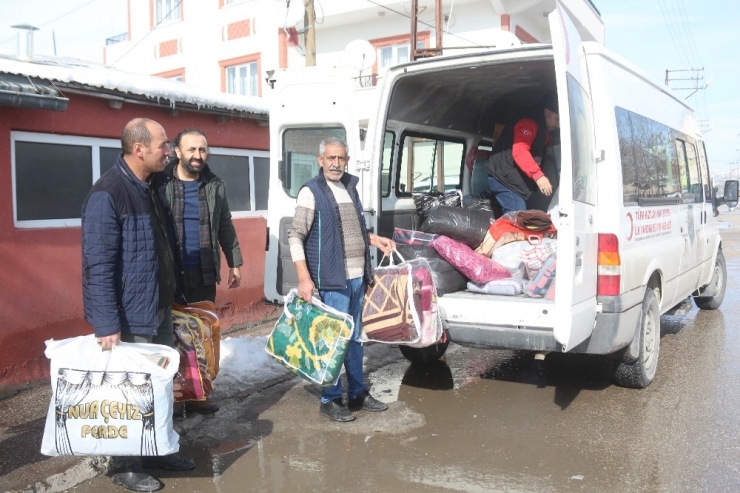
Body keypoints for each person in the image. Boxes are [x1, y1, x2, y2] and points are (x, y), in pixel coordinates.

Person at [81, 118, 195, 492]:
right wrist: (106, 323)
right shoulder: (108, 193)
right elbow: (98, 265)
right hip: (129, 317)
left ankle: (158, 449)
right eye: (164, 144)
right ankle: (126, 464)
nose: (170, 151)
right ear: (139, 148)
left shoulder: (150, 187)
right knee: (129, 392)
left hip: (157, 305)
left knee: (158, 385)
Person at [288, 136, 396, 422]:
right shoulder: (311, 192)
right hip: (332, 280)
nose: (336, 163)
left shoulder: (349, 187)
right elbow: (295, 236)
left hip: (358, 277)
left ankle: (358, 392)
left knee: (355, 339)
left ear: (346, 160)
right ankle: (331, 398)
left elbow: (349, 231)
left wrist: (374, 240)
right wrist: (304, 278)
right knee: (332, 341)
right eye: (331, 158)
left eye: (341, 158)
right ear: (320, 160)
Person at [158, 128, 243, 416]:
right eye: (192, 150)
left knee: (201, 335)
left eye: (202, 150)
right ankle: (169, 394)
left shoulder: (214, 185)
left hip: (204, 273)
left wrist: (235, 262)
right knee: (171, 336)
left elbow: (225, 224)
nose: (198, 156)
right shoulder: (160, 183)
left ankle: (197, 395)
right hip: (170, 274)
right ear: (177, 152)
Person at [485, 91, 561, 214]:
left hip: (510, 178)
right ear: (546, 112)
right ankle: (513, 233)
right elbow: (520, 151)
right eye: (557, 119)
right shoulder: (529, 122)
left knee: (519, 215)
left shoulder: (541, 125)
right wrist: (539, 176)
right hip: (504, 178)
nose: (558, 125)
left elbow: (541, 141)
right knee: (518, 216)